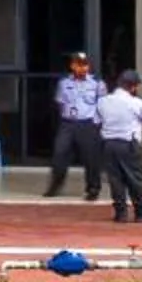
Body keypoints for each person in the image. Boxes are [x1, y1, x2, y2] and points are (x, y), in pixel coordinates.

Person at [97, 67, 142, 225]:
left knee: (115, 180)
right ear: (133, 86)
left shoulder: (103, 101)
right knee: (135, 179)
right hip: (129, 145)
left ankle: (121, 213)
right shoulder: (135, 102)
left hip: (109, 145)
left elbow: (96, 121)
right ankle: (141, 214)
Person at [41, 50, 104, 201]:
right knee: (59, 154)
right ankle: (55, 186)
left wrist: (97, 123)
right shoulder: (64, 83)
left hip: (88, 123)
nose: (82, 68)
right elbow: (60, 103)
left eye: (85, 65)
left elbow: (103, 104)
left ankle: (93, 188)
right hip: (68, 123)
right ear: (72, 66)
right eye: (78, 65)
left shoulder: (97, 83)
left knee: (91, 158)